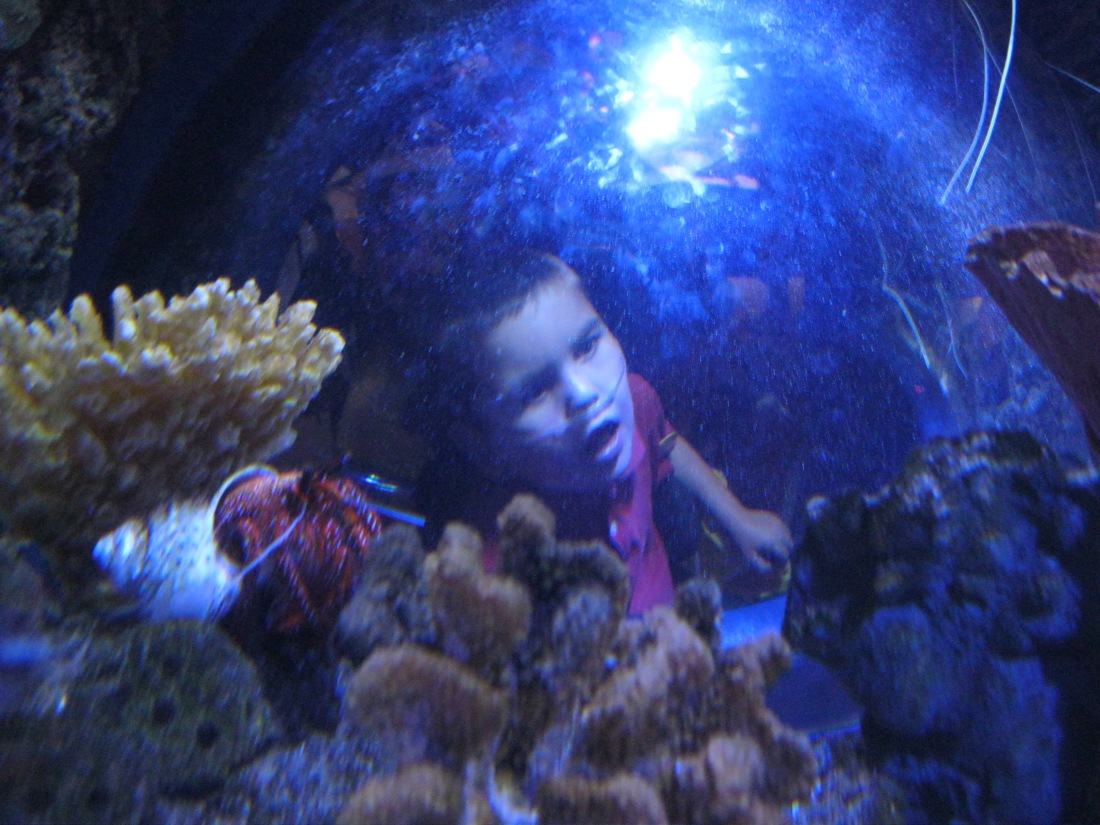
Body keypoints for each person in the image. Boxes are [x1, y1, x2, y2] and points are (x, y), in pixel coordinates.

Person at [403, 250, 792, 615]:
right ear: (481, 447)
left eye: (587, 346)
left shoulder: (635, 402)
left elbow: (664, 442)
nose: (585, 394)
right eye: (535, 391)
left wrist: (736, 517)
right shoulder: (494, 572)